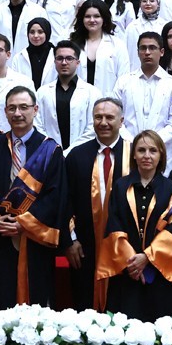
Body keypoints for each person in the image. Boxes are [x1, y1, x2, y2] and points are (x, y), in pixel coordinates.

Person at [0, 86, 67, 307]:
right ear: (5, 111)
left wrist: (23, 223)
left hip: (35, 239)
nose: (17, 113)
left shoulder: (51, 150)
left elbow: (55, 195)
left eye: (23, 107)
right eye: (12, 108)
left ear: (35, 110)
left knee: (36, 299)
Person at [98, 129, 172, 319]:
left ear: (161, 155)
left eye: (153, 150)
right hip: (127, 271)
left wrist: (147, 258)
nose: (147, 155)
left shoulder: (171, 188)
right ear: (134, 155)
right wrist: (133, 262)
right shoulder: (121, 186)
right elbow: (114, 227)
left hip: (160, 272)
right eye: (141, 150)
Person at [64, 97, 129, 312]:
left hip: (125, 247)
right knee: (85, 305)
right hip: (84, 246)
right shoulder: (76, 156)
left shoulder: (135, 155)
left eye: (109, 117)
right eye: (98, 117)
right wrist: (70, 240)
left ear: (121, 121)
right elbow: (65, 200)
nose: (103, 122)